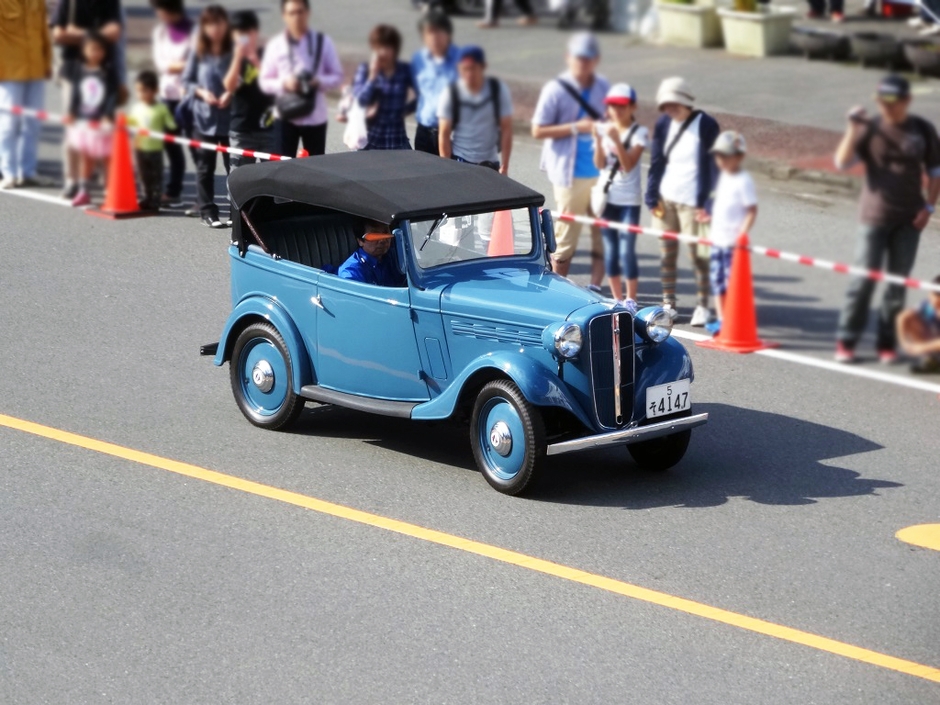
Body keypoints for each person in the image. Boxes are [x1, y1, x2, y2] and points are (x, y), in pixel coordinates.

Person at [834, 75, 940, 364]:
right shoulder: (870, 128)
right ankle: (847, 339)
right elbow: (842, 162)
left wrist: (928, 208)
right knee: (862, 281)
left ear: (906, 100)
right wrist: (852, 129)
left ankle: (886, 342)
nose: (886, 107)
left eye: (892, 102)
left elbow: (935, 171)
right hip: (874, 216)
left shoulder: (922, 129)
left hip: (910, 219)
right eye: (882, 102)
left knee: (897, 284)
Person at [531, 32, 608, 289]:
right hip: (568, 171)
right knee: (567, 234)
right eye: (579, 57)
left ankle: (596, 287)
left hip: (601, 171)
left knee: (601, 232)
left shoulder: (602, 87)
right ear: (568, 57)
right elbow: (538, 130)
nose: (583, 63)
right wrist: (576, 127)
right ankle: (559, 286)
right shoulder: (556, 90)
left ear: (595, 59)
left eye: (588, 58)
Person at [645, 76, 720, 326]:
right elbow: (657, 161)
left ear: (686, 101)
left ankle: (703, 305)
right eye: (666, 105)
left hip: (694, 202)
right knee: (667, 254)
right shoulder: (664, 123)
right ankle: (669, 303)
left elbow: (715, 167)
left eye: (674, 104)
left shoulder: (706, 124)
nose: (669, 109)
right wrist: (651, 195)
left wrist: (709, 204)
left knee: (698, 255)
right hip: (666, 198)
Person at [51, 0, 123, 200]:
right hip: (72, 72)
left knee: (103, 132)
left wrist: (78, 34)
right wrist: (97, 36)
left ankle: (104, 181)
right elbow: (58, 34)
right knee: (73, 132)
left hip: (103, 74)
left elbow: (114, 32)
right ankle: (72, 181)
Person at [259, 0, 344, 158]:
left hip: (315, 116)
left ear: (308, 13)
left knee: (316, 168)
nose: (297, 17)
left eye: (300, 12)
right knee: (283, 167)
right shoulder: (276, 45)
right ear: (284, 16)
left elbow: (337, 76)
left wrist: (318, 81)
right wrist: (285, 83)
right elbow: (264, 82)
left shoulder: (322, 42)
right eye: (292, 13)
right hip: (285, 115)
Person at [591, 83, 647, 307]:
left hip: (629, 201)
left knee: (626, 251)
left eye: (622, 106)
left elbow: (628, 165)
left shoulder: (639, 133)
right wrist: (598, 140)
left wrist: (615, 141)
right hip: (607, 199)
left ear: (632, 107)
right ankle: (617, 299)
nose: (616, 110)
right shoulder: (605, 130)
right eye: (612, 106)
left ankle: (631, 299)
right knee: (611, 250)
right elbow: (599, 164)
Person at [182, 4, 232, 229]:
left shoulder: (233, 52)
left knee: (235, 168)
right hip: (203, 118)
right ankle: (207, 211)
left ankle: (235, 211)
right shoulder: (198, 52)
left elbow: (244, 78)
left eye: (218, 23)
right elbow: (187, 81)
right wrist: (202, 93)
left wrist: (231, 93)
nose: (215, 29)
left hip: (230, 119)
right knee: (205, 167)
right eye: (210, 25)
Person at [703, 131, 757, 329]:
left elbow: (751, 210)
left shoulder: (743, 180)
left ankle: (733, 319)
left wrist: (742, 234)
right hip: (717, 239)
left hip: (732, 243)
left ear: (740, 157)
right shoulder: (723, 177)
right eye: (719, 156)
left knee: (731, 284)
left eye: (726, 156)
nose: (722, 160)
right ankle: (722, 319)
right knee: (717, 282)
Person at [62, 32, 119, 207]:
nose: (96, 53)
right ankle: (83, 190)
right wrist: (71, 112)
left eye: (100, 49)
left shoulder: (108, 71)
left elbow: (112, 95)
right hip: (85, 121)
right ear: (84, 50)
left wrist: (108, 115)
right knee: (86, 156)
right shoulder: (80, 70)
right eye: (92, 49)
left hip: (102, 122)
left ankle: (110, 190)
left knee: (107, 157)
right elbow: (76, 93)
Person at [0, 0, 52, 190]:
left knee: (34, 123)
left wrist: (47, 62)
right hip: (9, 71)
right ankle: (9, 172)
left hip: (35, 68)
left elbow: (44, 32)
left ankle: (28, 172)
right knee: (8, 125)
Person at [437, 46, 513, 174]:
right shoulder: (451, 93)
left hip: (490, 163)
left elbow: (507, 129)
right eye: (464, 69)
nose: (469, 74)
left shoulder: (497, 90)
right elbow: (444, 133)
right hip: (460, 160)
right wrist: (446, 167)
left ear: (483, 67)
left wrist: (504, 166)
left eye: (473, 68)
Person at [150, 0, 193, 207]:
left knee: (198, 149)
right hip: (167, 96)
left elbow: (196, 63)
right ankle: (172, 191)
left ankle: (204, 198)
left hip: (189, 97)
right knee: (171, 145)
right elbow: (160, 64)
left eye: (160, 10)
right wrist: (179, 66)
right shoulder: (160, 32)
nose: (158, 14)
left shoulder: (193, 31)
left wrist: (176, 66)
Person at [223, 10, 274, 170]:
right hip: (241, 129)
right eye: (238, 33)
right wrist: (238, 58)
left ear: (255, 33)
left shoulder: (268, 53)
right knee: (240, 177)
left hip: (269, 128)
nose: (243, 37)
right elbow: (229, 86)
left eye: (247, 33)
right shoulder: (231, 57)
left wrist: (253, 58)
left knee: (273, 177)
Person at [351, 25, 414, 151]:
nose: (383, 52)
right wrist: (372, 77)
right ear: (373, 48)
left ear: (395, 49)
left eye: (388, 47)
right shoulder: (365, 69)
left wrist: (404, 110)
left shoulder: (404, 70)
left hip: (397, 142)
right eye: (379, 47)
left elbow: (422, 94)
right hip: (370, 143)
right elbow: (360, 101)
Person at [411, 10, 459, 156]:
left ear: (448, 34)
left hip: (451, 133)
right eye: (429, 33)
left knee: (450, 170)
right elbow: (418, 91)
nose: (434, 38)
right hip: (423, 131)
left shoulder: (461, 60)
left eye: (438, 32)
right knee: (422, 170)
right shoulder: (419, 59)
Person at [128, 70, 177, 212]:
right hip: (140, 149)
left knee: (156, 177)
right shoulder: (137, 108)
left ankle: (155, 201)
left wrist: (173, 126)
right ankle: (147, 198)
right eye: (138, 91)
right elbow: (131, 123)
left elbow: (171, 124)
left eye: (144, 90)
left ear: (154, 91)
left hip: (155, 150)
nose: (141, 94)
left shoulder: (161, 108)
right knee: (144, 177)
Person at [338, 222, 406, 287]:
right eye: (375, 235)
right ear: (360, 241)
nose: (382, 240)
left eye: (385, 232)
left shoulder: (398, 258)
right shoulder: (351, 271)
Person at [897, 276, 940, 373]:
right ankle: (933, 359)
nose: (934, 302)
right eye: (932, 295)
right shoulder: (927, 304)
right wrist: (904, 344)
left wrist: (922, 347)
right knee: (911, 319)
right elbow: (902, 317)